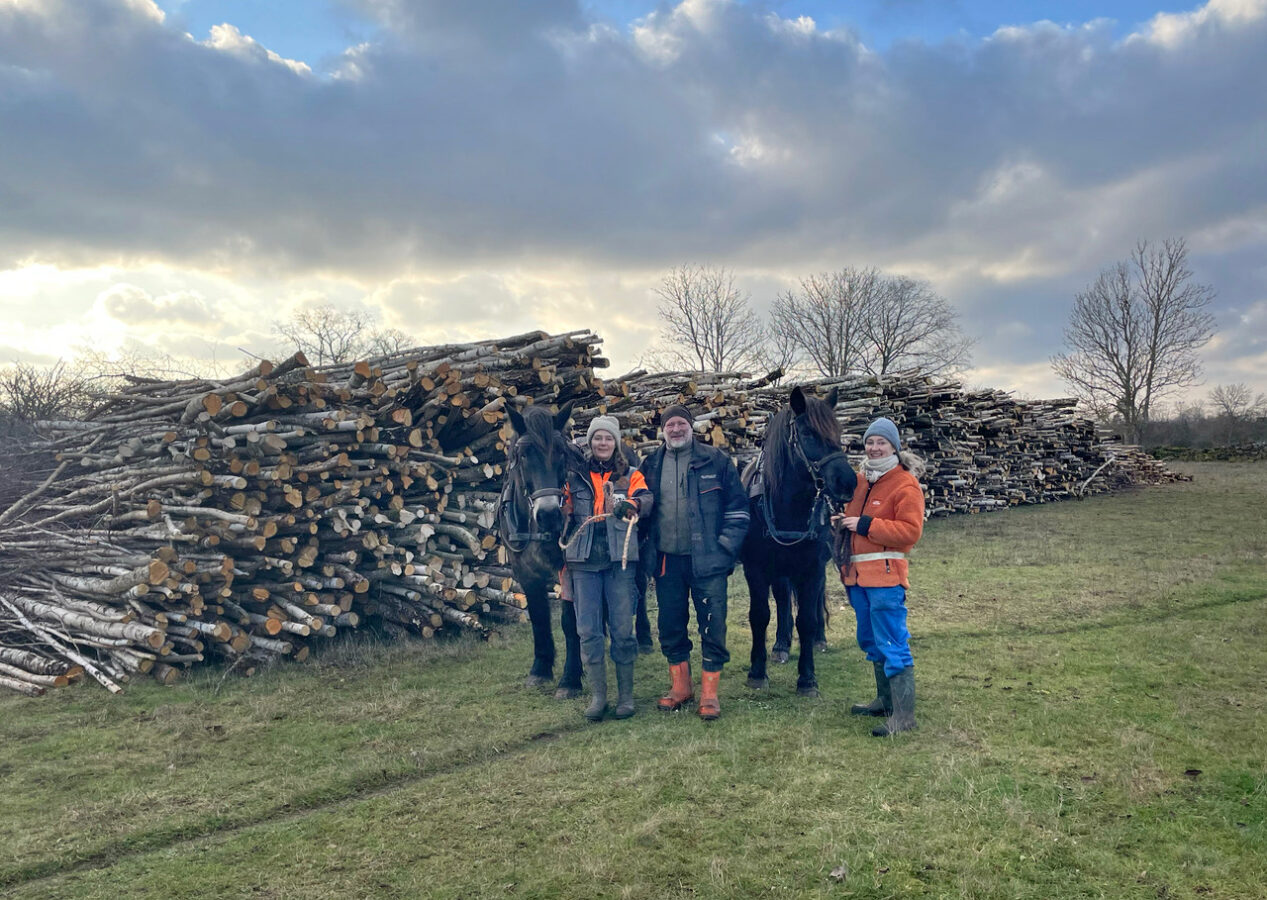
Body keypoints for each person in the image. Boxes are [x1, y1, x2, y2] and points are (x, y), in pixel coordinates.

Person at [639, 404, 749, 720]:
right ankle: (681, 688)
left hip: (708, 562)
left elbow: (739, 510)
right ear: (663, 430)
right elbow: (643, 509)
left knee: (713, 626)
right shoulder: (652, 465)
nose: (675, 429)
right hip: (666, 562)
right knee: (670, 625)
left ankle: (710, 694)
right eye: (670, 424)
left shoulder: (716, 461)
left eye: (680, 424)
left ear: (691, 427)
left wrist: (725, 549)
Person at [835, 416, 926, 737]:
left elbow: (910, 532)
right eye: (870, 442)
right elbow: (853, 518)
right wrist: (843, 521)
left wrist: (864, 524)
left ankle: (904, 716)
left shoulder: (905, 485)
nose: (874, 448)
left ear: (894, 447)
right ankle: (885, 702)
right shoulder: (860, 481)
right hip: (856, 579)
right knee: (870, 641)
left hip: (886, 580)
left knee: (892, 642)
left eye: (881, 442)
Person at [563, 416, 652, 721]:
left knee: (623, 631)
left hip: (620, 561)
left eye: (608, 438)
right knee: (588, 631)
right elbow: (564, 509)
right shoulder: (574, 476)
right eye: (597, 438)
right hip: (582, 562)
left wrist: (634, 506)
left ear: (616, 442)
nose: (602, 443)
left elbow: (646, 498)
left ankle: (625, 696)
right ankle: (599, 696)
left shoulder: (630, 474)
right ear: (590, 442)